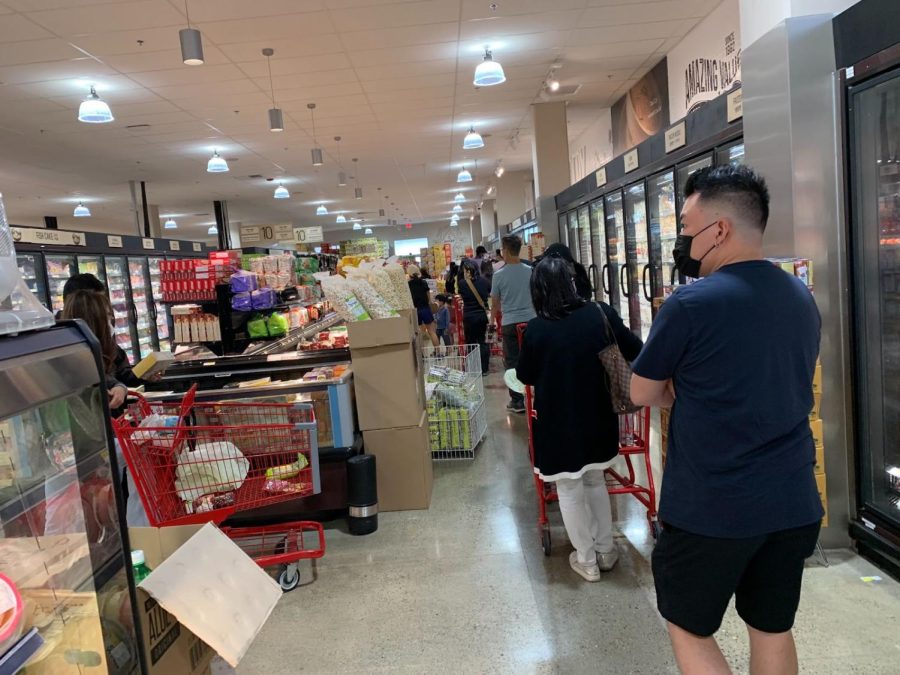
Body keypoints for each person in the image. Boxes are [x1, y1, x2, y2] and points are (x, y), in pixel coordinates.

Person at [630, 165, 823, 675]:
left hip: (712, 507)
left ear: (719, 230)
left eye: (687, 229)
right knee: (772, 625)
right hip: (792, 499)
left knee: (689, 626)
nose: (683, 242)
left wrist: (687, 389)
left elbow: (642, 390)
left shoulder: (691, 304)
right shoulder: (800, 296)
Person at [516, 256, 642, 582]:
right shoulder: (599, 314)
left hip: (557, 423)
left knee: (569, 488)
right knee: (595, 479)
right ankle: (607, 551)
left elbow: (526, 374)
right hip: (598, 416)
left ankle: (585, 560)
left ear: (539, 291)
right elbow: (634, 347)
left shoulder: (537, 329)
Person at [61, 273, 147, 388]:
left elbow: (120, 370)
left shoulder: (102, 336)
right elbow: (88, 374)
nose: (110, 318)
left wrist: (142, 375)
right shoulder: (65, 343)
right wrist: (116, 386)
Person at [60, 289, 128, 411]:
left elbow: (106, 379)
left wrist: (119, 387)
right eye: (107, 315)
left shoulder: (96, 350)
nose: (111, 319)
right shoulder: (76, 359)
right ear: (94, 320)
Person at [491, 235, 535, 413]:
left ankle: (517, 401)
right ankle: (535, 394)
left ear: (506, 251)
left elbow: (495, 304)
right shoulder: (530, 271)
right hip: (531, 322)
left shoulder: (499, 275)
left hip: (510, 323)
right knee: (532, 357)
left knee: (512, 361)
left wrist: (492, 321)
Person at [457, 258, 491, 375]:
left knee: (471, 342)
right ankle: (485, 368)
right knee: (482, 341)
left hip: (469, 316)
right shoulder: (485, 281)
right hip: (482, 316)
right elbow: (488, 293)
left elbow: (462, 294)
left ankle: (473, 368)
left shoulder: (462, 283)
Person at [407, 264, 439, 348]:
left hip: (415, 311)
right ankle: (439, 353)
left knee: (419, 334)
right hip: (425, 308)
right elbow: (428, 296)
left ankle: (422, 355)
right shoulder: (423, 282)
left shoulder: (408, 285)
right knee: (431, 332)